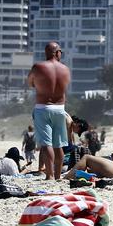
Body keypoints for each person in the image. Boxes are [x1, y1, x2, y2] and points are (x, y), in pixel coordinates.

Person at [27, 41, 70, 180]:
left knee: (47, 144)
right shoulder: (65, 69)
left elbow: (30, 83)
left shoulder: (38, 67)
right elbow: (64, 87)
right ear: (57, 52)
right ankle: (58, 176)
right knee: (59, 145)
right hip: (60, 109)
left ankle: (50, 175)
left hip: (43, 107)